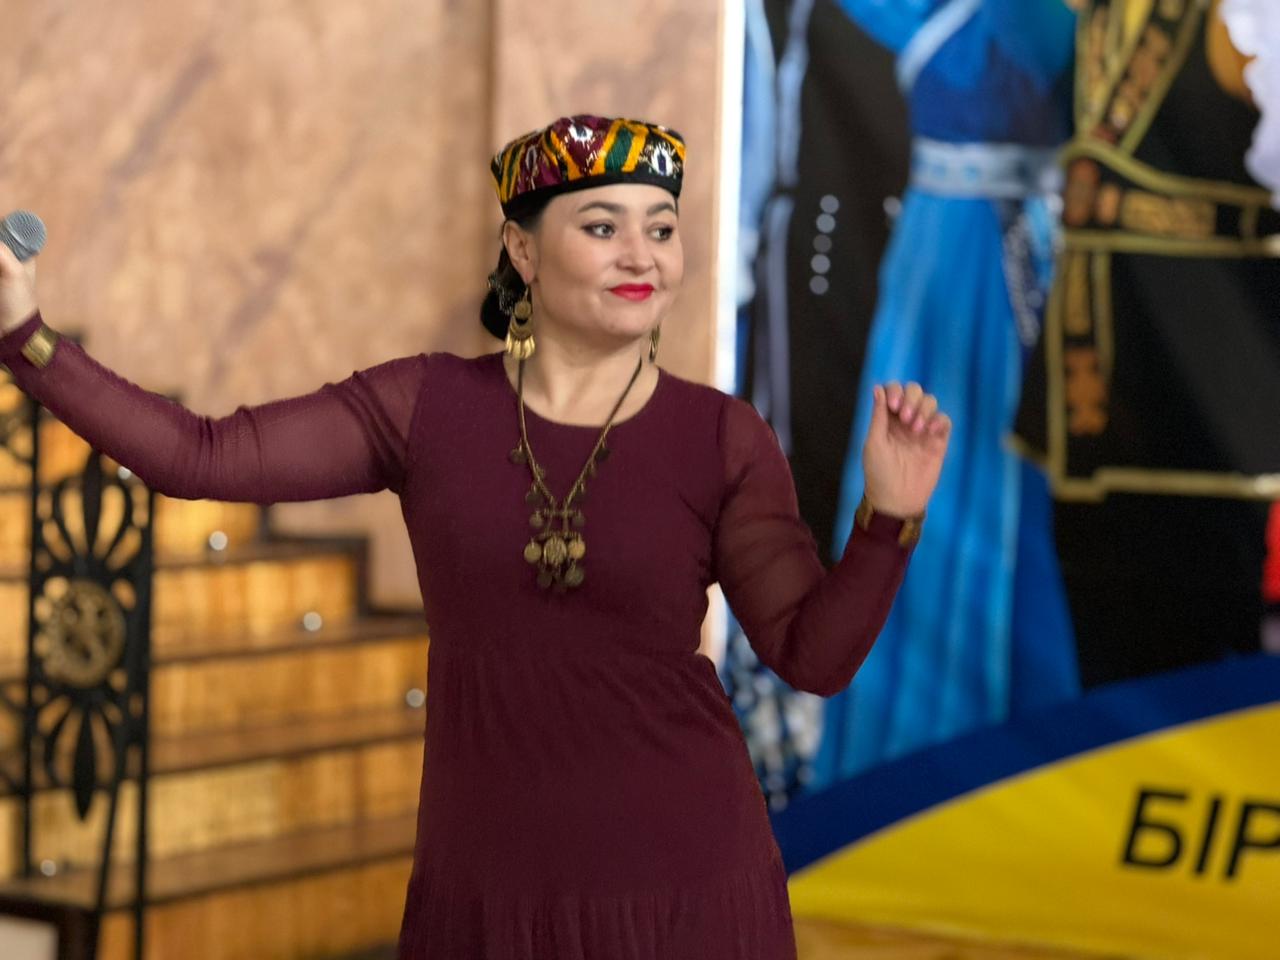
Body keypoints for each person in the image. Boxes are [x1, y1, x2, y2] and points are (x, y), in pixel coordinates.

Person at [0, 114, 951, 959]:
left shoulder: (722, 436)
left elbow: (811, 657)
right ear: (522, 250)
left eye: (661, 229)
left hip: (687, 894)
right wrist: (27, 338)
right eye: (603, 227)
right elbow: (198, 456)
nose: (642, 256)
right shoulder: (426, 407)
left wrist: (889, 519)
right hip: (483, 903)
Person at [814, 0, 1080, 788]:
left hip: (1068, 262)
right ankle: (912, 776)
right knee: (927, 482)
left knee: (1053, 514)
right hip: (953, 267)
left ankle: (1052, 753)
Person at [1015, 0, 1280, 687]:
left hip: (1212, 420)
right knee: (1102, 674)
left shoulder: (1250, 17)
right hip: (1092, 406)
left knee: (1207, 681)